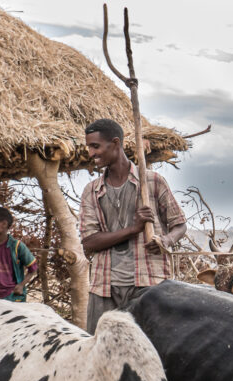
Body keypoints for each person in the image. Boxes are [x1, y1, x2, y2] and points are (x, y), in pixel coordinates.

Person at [79, 118, 187, 333]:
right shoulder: (91, 191)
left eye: (95, 146)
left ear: (115, 143)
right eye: (89, 147)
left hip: (149, 284)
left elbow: (180, 225)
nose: (91, 153)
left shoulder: (153, 182)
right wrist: (134, 229)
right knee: (100, 345)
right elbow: (90, 242)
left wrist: (165, 241)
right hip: (105, 287)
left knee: (153, 344)